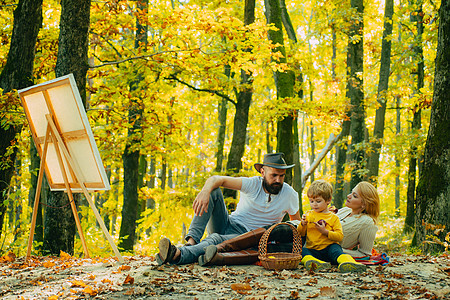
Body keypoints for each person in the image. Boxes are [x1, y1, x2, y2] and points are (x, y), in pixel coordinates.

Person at [199, 181, 380, 272]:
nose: (349, 196)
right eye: (351, 192)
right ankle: (221, 247)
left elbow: (365, 253)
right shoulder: (342, 212)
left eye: (354, 196)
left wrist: (337, 252)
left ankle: (218, 257)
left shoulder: (368, 223)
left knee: (266, 250)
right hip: (296, 228)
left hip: (306, 244)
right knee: (265, 234)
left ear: (364, 204)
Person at [155, 153, 301, 265]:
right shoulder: (252, 184)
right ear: (262, 172)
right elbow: (217, 179)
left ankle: (178, 255)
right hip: (228, 224)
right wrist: (205, 191)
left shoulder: (290, 195)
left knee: (216, 239)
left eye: (281, 176)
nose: (278, 180)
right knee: (214, 191)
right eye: (274, 175)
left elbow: (296, 227)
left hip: (249, 237)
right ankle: (191, 243)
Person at [298, 180, 365, 272]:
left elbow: (339, 236)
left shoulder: (333, 218)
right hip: (313, 250)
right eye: (311, 201)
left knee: (336, 250)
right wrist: (302, 224)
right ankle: (314, 263)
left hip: (329, 248)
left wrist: (325, 232)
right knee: (303, 251)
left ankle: (348, 262)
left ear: (328, 200)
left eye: (318, 201)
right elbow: (301, 234)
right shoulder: (309, 215)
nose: (314, 204)